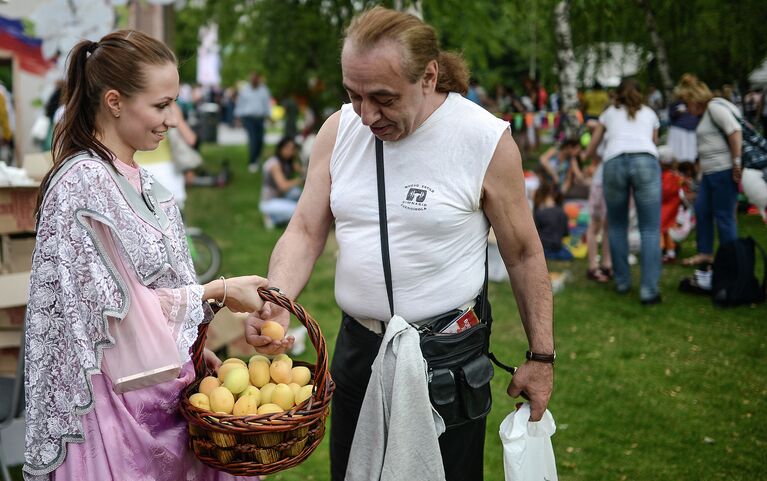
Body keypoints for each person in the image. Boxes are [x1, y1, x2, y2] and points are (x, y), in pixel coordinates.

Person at [244, 7, 554, 481]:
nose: (367, 115)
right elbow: (305, 229)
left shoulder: (483, 139)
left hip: (447, 361)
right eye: (354, 95)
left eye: (383, 98)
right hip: (358, 350)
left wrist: (541, 356)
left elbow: (524, 253)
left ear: (429, 76)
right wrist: (277, 300)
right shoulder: (338, 129)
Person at [24, 30, 272, 481]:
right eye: (161, 105)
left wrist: (192, 352)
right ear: (115, 101)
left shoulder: (144, 183)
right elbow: (112, 318)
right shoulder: (82, 186)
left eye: (173, 103)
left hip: (161, 398)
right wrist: (220, 289)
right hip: (111, 417)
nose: (172, 120)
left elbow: (162, 290)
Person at [583, 78, 662, 304]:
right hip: (646, 161)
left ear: (617, 94)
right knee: (650, 229)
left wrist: (584, 156)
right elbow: (653, 143)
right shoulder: (650, 113)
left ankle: (622, 282)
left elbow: (592, 146)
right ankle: (649, 290)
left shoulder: (609, 113)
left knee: (616, 226)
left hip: (614, 162)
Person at [674, 74, 743, 266]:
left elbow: (734, 131)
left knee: (724, 216)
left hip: (724, 170)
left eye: (687, 103)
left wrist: (737, 162)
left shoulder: (714, 108)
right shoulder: (704, 115)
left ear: (695, 99)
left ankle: (730, 259)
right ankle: (705, 252)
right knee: (702, 210)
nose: (686, 109)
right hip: (709, 173)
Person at [260, 136, 303, 228]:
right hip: (269, 201)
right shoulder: (274, 164)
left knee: (297, 192)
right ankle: (272, 218)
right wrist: (300, 180)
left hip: (280, 197)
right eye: (287, 148)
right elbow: (283, 186)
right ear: (280, 148)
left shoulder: (288, 162)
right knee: (298, 211)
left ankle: (279, 215)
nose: (290, 151)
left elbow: (304, 172)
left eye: (292, 149)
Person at [235, 72, 271, 173]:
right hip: (249, 118)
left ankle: (257, 157)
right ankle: (252, 161)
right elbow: (240, 104)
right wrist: (238, 117)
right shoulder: (245, 90)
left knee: (260, 139)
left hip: (260, 118)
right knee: (253, 139)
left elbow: (266, 104)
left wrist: (268, 115)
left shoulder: (264, 90)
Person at [533, 181, 572, 260]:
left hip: (543, 248)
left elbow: (534, 234)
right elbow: (566, 234)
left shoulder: (539, 213)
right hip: (558, 247)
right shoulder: (562, 213)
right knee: (567, 254)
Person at [658, 145, 683, 262]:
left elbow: (665, 192)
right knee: (665, 230)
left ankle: (668, 251)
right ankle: (668, 251)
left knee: (663, 229)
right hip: (670, 206)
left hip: (667, 207)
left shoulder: (668, 176)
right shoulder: (674, 175)